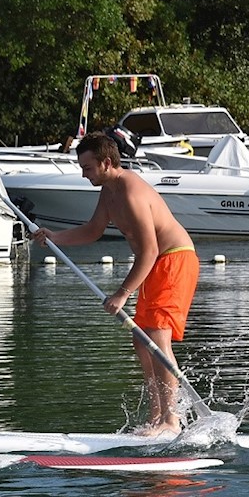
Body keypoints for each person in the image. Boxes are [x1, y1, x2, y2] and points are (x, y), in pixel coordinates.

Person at [30, 131, 198, 436]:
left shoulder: (131, 192)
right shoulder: (108, 192)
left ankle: (172, 421)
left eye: (88, 168)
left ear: (107, 162)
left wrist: (122, 293)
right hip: (155, 263)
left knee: (158, 338)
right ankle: (157, 416)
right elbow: (93, 230)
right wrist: (55, 237)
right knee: (141, 340)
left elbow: (149, 251)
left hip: (174, 259)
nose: (83, 174)